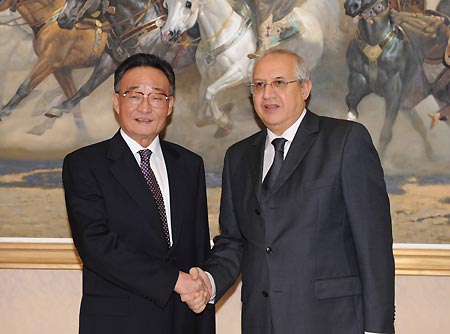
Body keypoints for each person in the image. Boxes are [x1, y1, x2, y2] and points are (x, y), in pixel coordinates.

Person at [182, 49, 395, 334]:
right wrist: (209, 281)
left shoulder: (345, 141)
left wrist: (377, 328)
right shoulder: (238, 157)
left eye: (279, 83)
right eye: (259, 85)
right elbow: (234, 242)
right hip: (262, 321)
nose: (267, 94)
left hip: (333, 321)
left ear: (305, 88)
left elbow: (374, 243)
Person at [62, 53, 215, 334]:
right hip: (118, 322)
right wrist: (174, 281)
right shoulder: (85, 165)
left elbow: (197, 249)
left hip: (183, 321)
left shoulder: (190, 165)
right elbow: (96, 246)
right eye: (135, 95)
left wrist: (202, 302)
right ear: (116, 101)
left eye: (157, 97)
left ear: (169, 106)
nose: (145, 107)